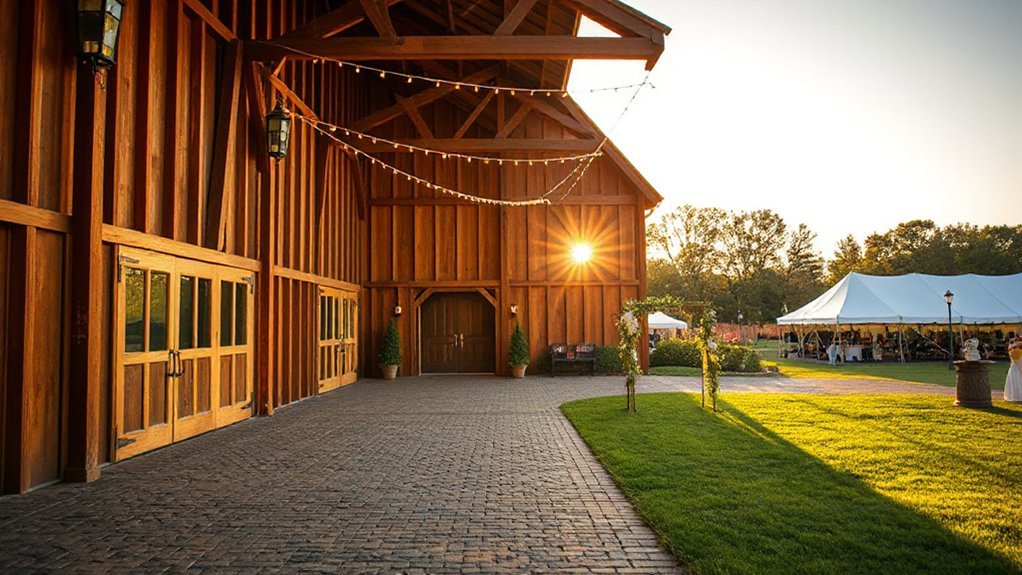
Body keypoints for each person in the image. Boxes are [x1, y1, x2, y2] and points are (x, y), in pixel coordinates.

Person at [1005, 337, 1022, 402]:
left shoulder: (1012, 348)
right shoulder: (1013, 349)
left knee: (1014, 381)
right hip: (1015, 367)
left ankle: (1015, 395)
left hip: (1014, 367)